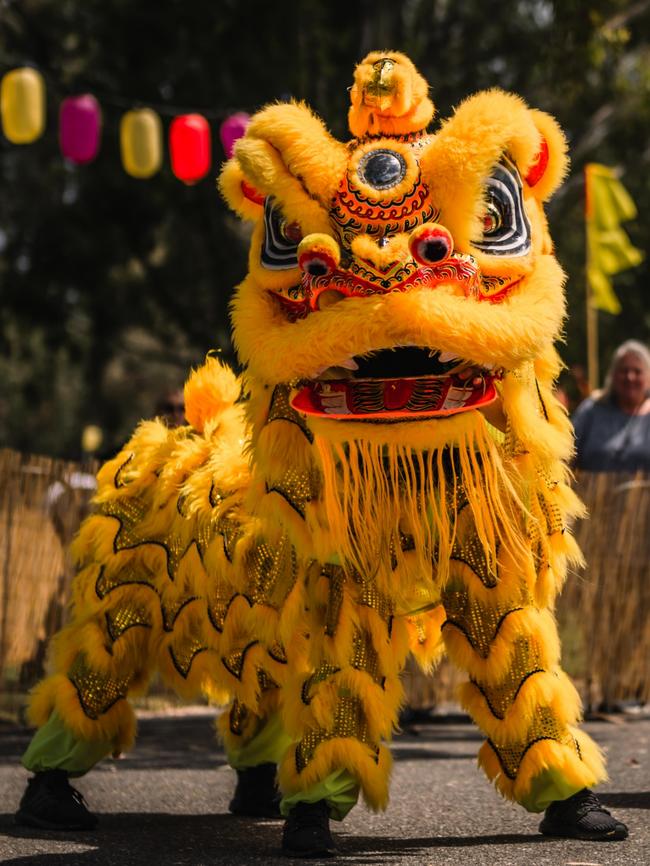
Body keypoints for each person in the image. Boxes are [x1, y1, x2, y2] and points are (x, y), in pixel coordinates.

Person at [15, 51, 628, 858]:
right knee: (305, 616)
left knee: (505, 615)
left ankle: (559, 786)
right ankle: (265, 794)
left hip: (469, 465)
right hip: (333, 474)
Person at [573, 340, 650, 472]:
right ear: (613, 375)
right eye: (624, 370)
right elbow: (566, 456)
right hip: (593, 492)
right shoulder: (592, 409)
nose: (630, 377)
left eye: (637, 372)